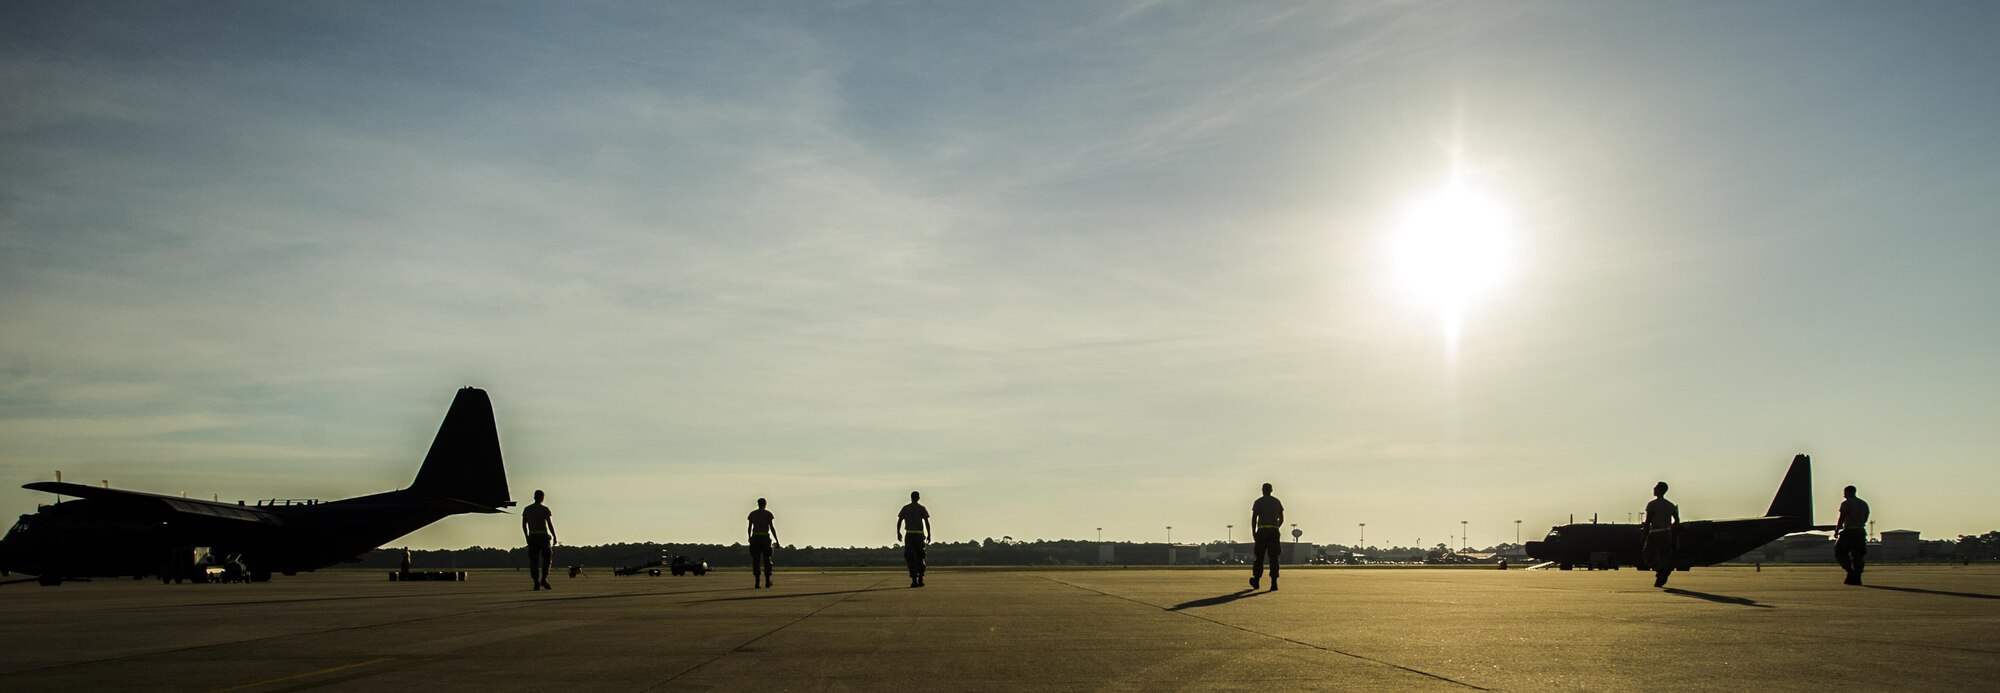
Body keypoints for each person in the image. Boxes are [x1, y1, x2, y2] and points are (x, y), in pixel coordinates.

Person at [1643, 481, 1679, 588]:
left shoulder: (1652, 504)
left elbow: (1648, 521)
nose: (1654, 489)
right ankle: (1661, 575)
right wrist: (1669, 529)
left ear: (1659, 490)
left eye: (1656, 488)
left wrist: (1644, 534)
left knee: (1647, 555)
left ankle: (1660, 570)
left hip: (1655, 533)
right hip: (1667, 533)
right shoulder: (1670, 505)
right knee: (1663, 556)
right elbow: (1677, 520)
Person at [1249, 483, 1284, 591]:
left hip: (1262, 531)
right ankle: (1274, 583)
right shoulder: (1277, 502)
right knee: (1274, 557)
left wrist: (1254, 532)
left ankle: (1257, 580)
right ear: (1271, 490)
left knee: (1259, 557)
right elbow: (1281, 518)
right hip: (1273, 530)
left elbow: (1254, 518)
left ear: (1262, 490)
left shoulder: (1258, 502)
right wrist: (1276, 527)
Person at [522, 489, 557, 591]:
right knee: (547, 559)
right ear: (542, 498)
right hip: (543, 537)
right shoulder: (545, 509)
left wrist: (527, 537)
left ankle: (536, 582)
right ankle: (544, 579)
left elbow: (524, 524)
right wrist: (554, 536)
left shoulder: (527, 509)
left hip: (532, 537)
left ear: (534, 497)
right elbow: (549, 524)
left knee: (534, 561)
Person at [1834, 485, 1870, 586]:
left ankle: (1850, 571)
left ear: (1849, 492)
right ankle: (1857, 577)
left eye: (1845, 492)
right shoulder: (1864, 504)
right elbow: (1866, 518)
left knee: (1840, 552)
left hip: (1848, 532)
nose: (1844, 495)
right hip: (1860, 532)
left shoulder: (1846, 504)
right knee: (1858, 555)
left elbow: (1842, 517)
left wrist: (1837, 530)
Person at [897, 491, 931, 588]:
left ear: (911, 497)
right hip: (919, 536)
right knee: (920, 557)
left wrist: (898, 533)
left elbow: (899, 520)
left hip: (910, 535)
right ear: (918, 498)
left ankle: (914, 580)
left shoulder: (906, 508)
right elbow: (927, 522)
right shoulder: (921, 508)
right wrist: (929, 534)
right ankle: (920, 578)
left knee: (911, 558)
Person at [747, 498, 778, 589]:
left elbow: (749, 527)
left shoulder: (752, 514)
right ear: (765, 504)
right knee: (767, 560)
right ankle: (767, 581)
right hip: (765, 538)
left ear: (758, 504)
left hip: (755, 538)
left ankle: (757, 582)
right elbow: (771, 527)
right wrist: (777, 539)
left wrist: (749, 537)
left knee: (756, 560)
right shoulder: (768, 514)